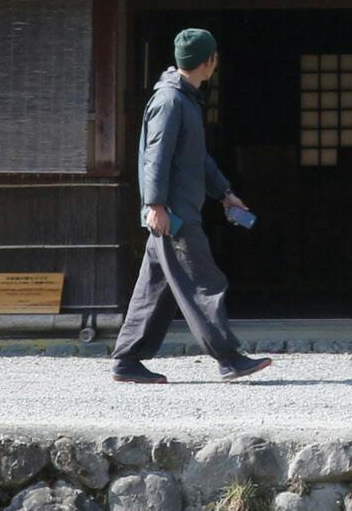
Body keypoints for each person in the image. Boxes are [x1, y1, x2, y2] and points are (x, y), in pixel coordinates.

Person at [112, 27, 272, 384]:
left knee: (154, 290)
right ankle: (229, 359)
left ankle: (127, 360)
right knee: (204, 284)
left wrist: (225, 193)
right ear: (209, 61)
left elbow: (196, 159)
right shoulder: (171, 101)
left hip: (174, 212)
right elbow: (156, 157)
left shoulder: (184, 99)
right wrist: (155, 204)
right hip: (175, 216)